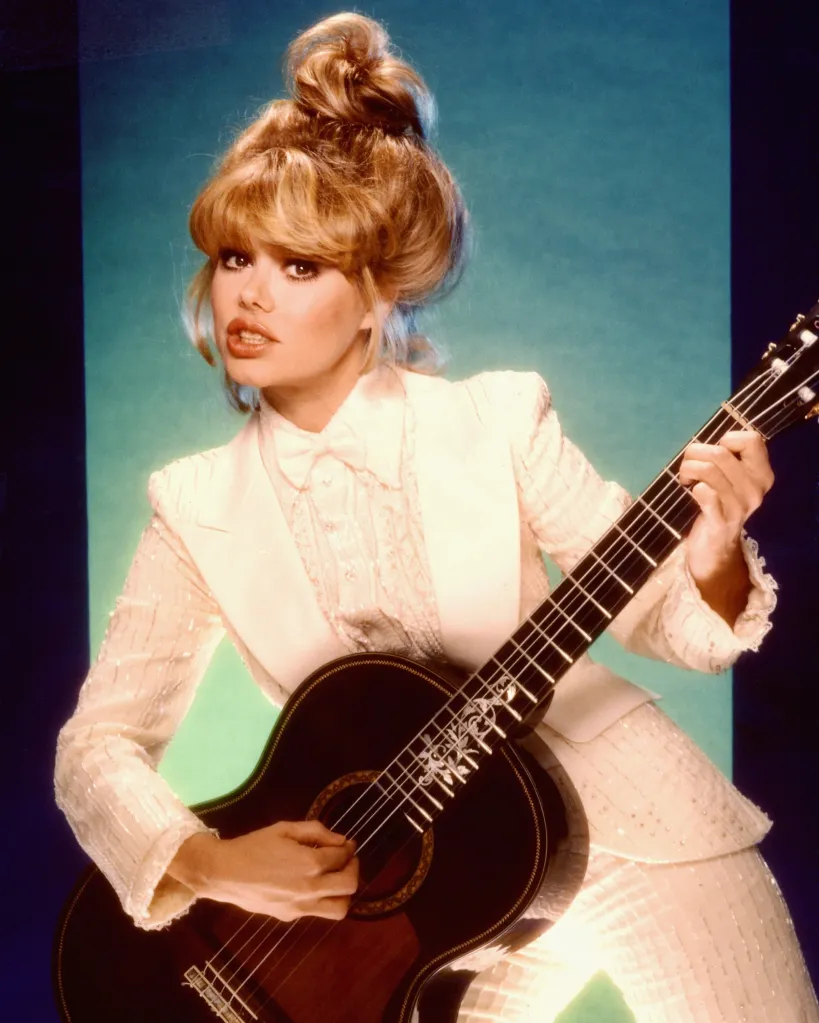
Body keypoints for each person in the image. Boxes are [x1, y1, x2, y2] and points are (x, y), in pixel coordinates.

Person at [54, 12, 818, 1022]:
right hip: (440, 907)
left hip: (636, 829)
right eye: (236, 258)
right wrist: (208, 862)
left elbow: (665, 621)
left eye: (299, 267)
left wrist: (714, 548)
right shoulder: (193, 505)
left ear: (377, 298)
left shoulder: (497, 419)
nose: (251, 296)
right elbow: (96, 748)